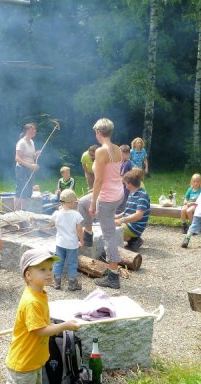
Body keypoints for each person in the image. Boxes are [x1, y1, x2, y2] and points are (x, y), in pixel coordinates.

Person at [5, 248, 81, 383]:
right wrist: (64, 326)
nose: (49, 273)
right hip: (23, 365)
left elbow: (43, 323)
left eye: (50, 269)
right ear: (29, 275)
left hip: (34, 362)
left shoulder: (40, 293)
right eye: (42, 269)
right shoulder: (32, 301)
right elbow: (40, 331)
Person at [78, 118, 124, 290]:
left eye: (95, 132)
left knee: (108, 235)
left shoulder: (101, 151)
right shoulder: (117, 149)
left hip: (107, 198)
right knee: (82, 202)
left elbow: (98, 180)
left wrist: (94, 203)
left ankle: (113, 276)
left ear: (98, 132)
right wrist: (91, 200)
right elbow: (110, 175)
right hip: (117, 193)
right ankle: (88, 233)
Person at [47, 189, 84, 291]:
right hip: (72, 245)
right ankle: (72, 284)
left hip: (60, 244)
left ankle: (57, 283)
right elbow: (79, 229)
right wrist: (81, 240)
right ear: (71, 202)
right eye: (74, 202)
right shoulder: (76, 214)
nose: (75, 204)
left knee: (58, 263)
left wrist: (48, 227)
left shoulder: (56, 213)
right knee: (72, 263)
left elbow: (51, 224)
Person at [114, 169, 150, 252]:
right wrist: (117, 216)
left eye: (125, 183)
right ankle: (133, 240)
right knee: (109, 225)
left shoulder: (142, 196)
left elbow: (138, 215)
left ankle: (133, 240)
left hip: (135, 226)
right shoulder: (132, 193)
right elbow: (128, 210)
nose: (124, 184)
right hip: (129, 224)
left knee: (110, 230)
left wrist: (121, 220)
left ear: (129, 184)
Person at [14, 123, 40, 210]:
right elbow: (17, 158)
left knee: (28, 191)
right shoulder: (21, 143)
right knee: (21, 190)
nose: (35, 131)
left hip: (29, 169)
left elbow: (31, 157)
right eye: (33, 129)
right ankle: (16, 211)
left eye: (35, 129)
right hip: (21, 168)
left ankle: (24, 211)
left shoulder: (32, 142)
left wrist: (36, 155)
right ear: (27, 130)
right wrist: (30, 165)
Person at [116, 144, 133, 213]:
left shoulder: (126, 163)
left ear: (128, 155)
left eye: (122, 155)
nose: (120, 156)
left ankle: (119, 217)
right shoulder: (124, 162)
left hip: (125, 189)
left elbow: (122, 178)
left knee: (121, 207)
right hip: (124, 188)